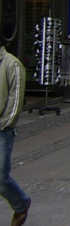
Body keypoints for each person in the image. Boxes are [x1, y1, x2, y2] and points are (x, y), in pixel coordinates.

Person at [0, 43, 31, 226]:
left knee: (1, 179)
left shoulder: (12, 65)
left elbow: (15, 102)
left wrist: (4, 124)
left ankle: (21, 204)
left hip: (3, 130)